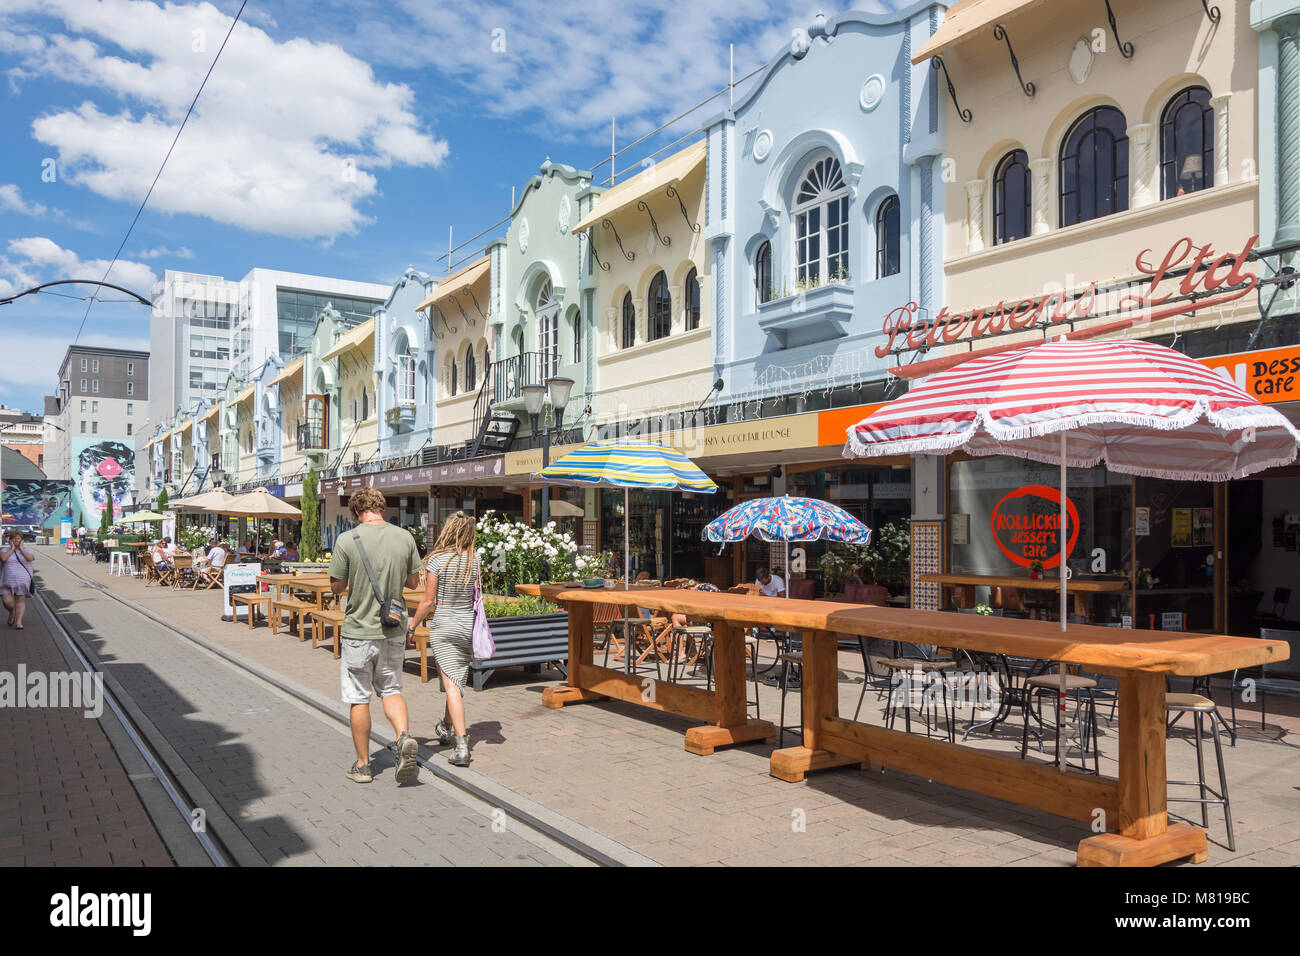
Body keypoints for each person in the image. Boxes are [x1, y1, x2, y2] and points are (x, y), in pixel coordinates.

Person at [328, 487, 421, 785]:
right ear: (381, 507)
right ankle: (403, 737)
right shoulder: (404, 537)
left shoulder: (346, 540)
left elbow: (337, 587)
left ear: (356, 511)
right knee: (391, 689)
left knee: (359, 698)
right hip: (393, 628)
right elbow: (413, 582)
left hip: (358, 630)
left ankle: (363, 765)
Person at [408, 512, 479, 768]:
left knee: (451, 685)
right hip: (467, 626)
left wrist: (412, 624)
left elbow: (428, 601)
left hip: (444, 625)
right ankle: (446, 726)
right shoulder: (475, 560)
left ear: (448, 531)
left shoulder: (437, 560)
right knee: (456, 681)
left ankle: (461, 746)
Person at [1, 531, 36, 628]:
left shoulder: (28, 550)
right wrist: (12, 549)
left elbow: (29, 558)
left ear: (22, 541)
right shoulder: (5, 550)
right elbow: (3, 559)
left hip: (22, 581)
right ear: (10, 540)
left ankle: (19, 622)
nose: (15, 540)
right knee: (6, 601)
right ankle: (12, 611)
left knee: (20, 601)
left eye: (18, 538)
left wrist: (21, 549)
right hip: (7, 581)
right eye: (13, 538)